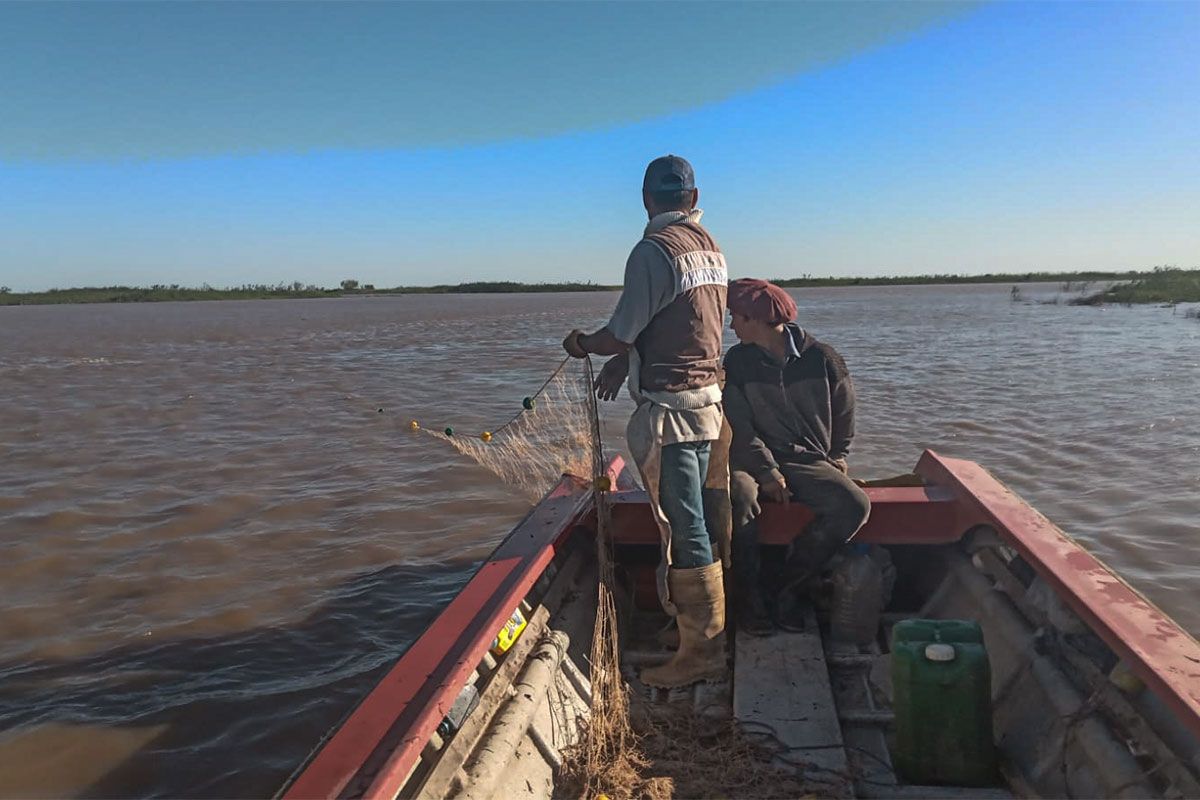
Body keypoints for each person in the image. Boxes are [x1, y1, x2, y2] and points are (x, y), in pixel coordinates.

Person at [563, 155, 729, 688]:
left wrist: (583, 344)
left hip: (674, 413)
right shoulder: (709, 247)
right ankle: (690, 629)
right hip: (709, 405)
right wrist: (626, 359)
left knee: (686, 523)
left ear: (644, 199)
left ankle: (703, 653)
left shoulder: (653, 251)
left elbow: (620, 332)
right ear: (694, 197)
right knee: (696, 516)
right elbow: (679, 323)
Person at [722, 278, 870, 634]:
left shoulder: (823, 358)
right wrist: (767, 470)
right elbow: (739, 427)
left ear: (757, 319)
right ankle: (749, 598)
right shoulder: (737, 361)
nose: (730, 325)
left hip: (807, 460)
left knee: (854, 505)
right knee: (740, 496)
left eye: (735, 317)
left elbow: (846, 414)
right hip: (749, 458)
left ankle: (786, 589)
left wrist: (838, 456)